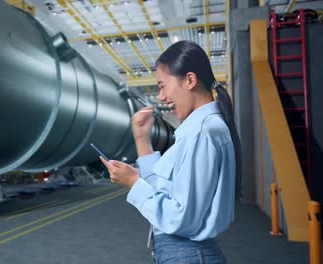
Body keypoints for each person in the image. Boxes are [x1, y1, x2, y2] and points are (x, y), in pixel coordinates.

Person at [99, 40, 241, 264]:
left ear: (190, 80)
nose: (161, 96)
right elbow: (165, 192)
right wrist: (141, 137)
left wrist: (134, 183)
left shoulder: (203, 131)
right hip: (184, 253)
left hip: (186, 254)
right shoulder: (198, 129)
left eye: (163, 85)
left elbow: (182, 219)